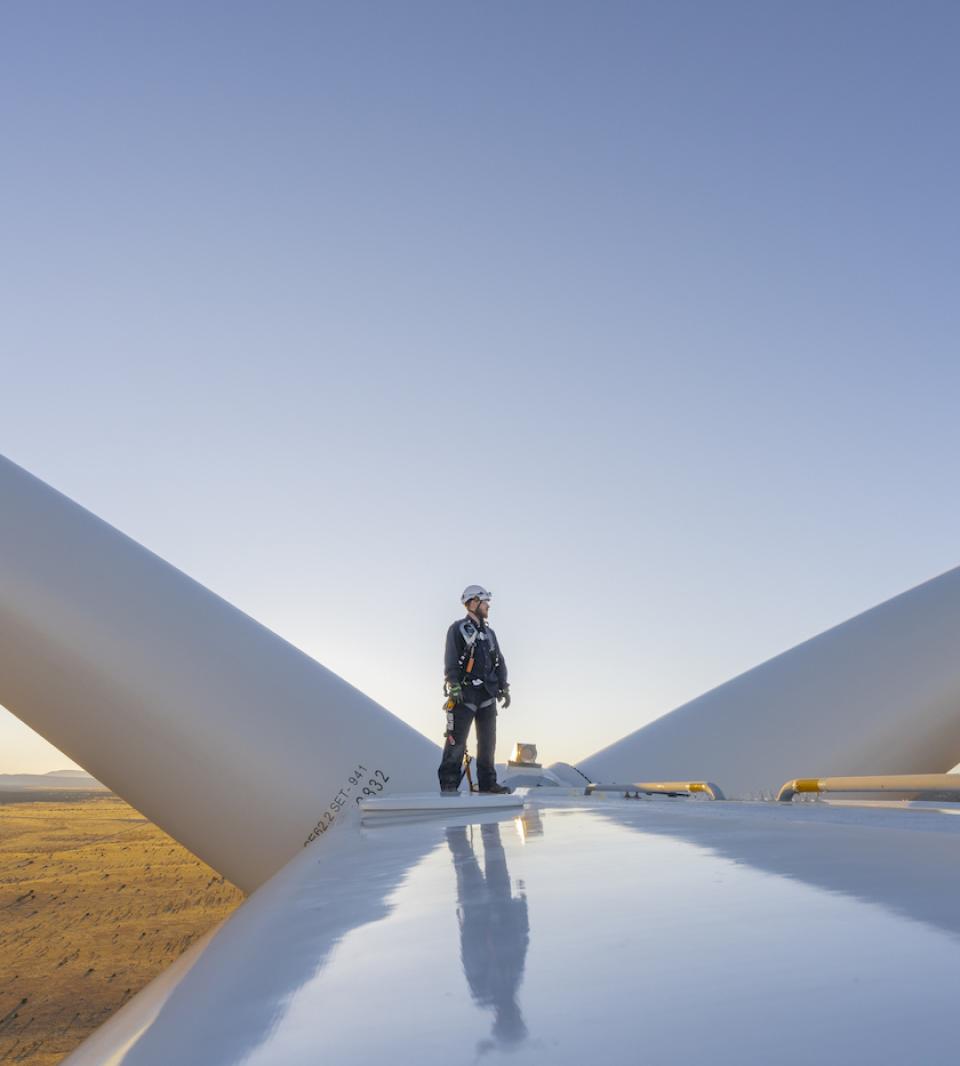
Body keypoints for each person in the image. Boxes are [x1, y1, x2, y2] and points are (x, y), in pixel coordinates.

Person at [438, 584, 512, 794]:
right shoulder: (458, 629)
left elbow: (499, 661)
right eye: (484, 601)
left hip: (487, 694)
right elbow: (451, 659)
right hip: (465, 694)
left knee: (488, 743)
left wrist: (504, 687)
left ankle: (488, 784)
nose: (488, 605)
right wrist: (453, 685)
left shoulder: (490, 634)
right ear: (473, 603)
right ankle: (449, 785)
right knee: (456, 742)